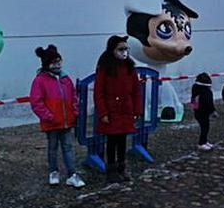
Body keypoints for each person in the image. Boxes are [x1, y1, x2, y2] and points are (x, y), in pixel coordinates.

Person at [29, 45, 85, 188]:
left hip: (67, 122)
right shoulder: (40, 81)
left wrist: (74, 111)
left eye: (59, 61)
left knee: (68, 147)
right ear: (47, 64)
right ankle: (53, 172)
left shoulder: (66, 79)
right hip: (51, 122)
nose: (58, 65)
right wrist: (48, 116)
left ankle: (72, 175)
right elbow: (36, 102)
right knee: (52, 148)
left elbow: (73, 96)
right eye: (54, 62)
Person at [94, 35, 143, 183]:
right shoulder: (105, 68)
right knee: (111, 141)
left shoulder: (129, 67)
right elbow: (99, 92)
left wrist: (137, 110)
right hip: (111, 110)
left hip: (126, 110)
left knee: (122, 140)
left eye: (126, 49)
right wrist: (103, 112)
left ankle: (122, 168)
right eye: (121, 49)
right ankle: (111, 170)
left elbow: (136, 90)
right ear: (113, 50)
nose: (124, 52)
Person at [191, 73, 216, 151]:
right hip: (204, 112)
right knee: (205, 128)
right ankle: (201, 143)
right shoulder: (207, 92)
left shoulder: (195, 88)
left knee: (204, 127)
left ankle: (204, 141)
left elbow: (193, 101)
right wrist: (213, 111)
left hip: (197, 111)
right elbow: (209, 103)